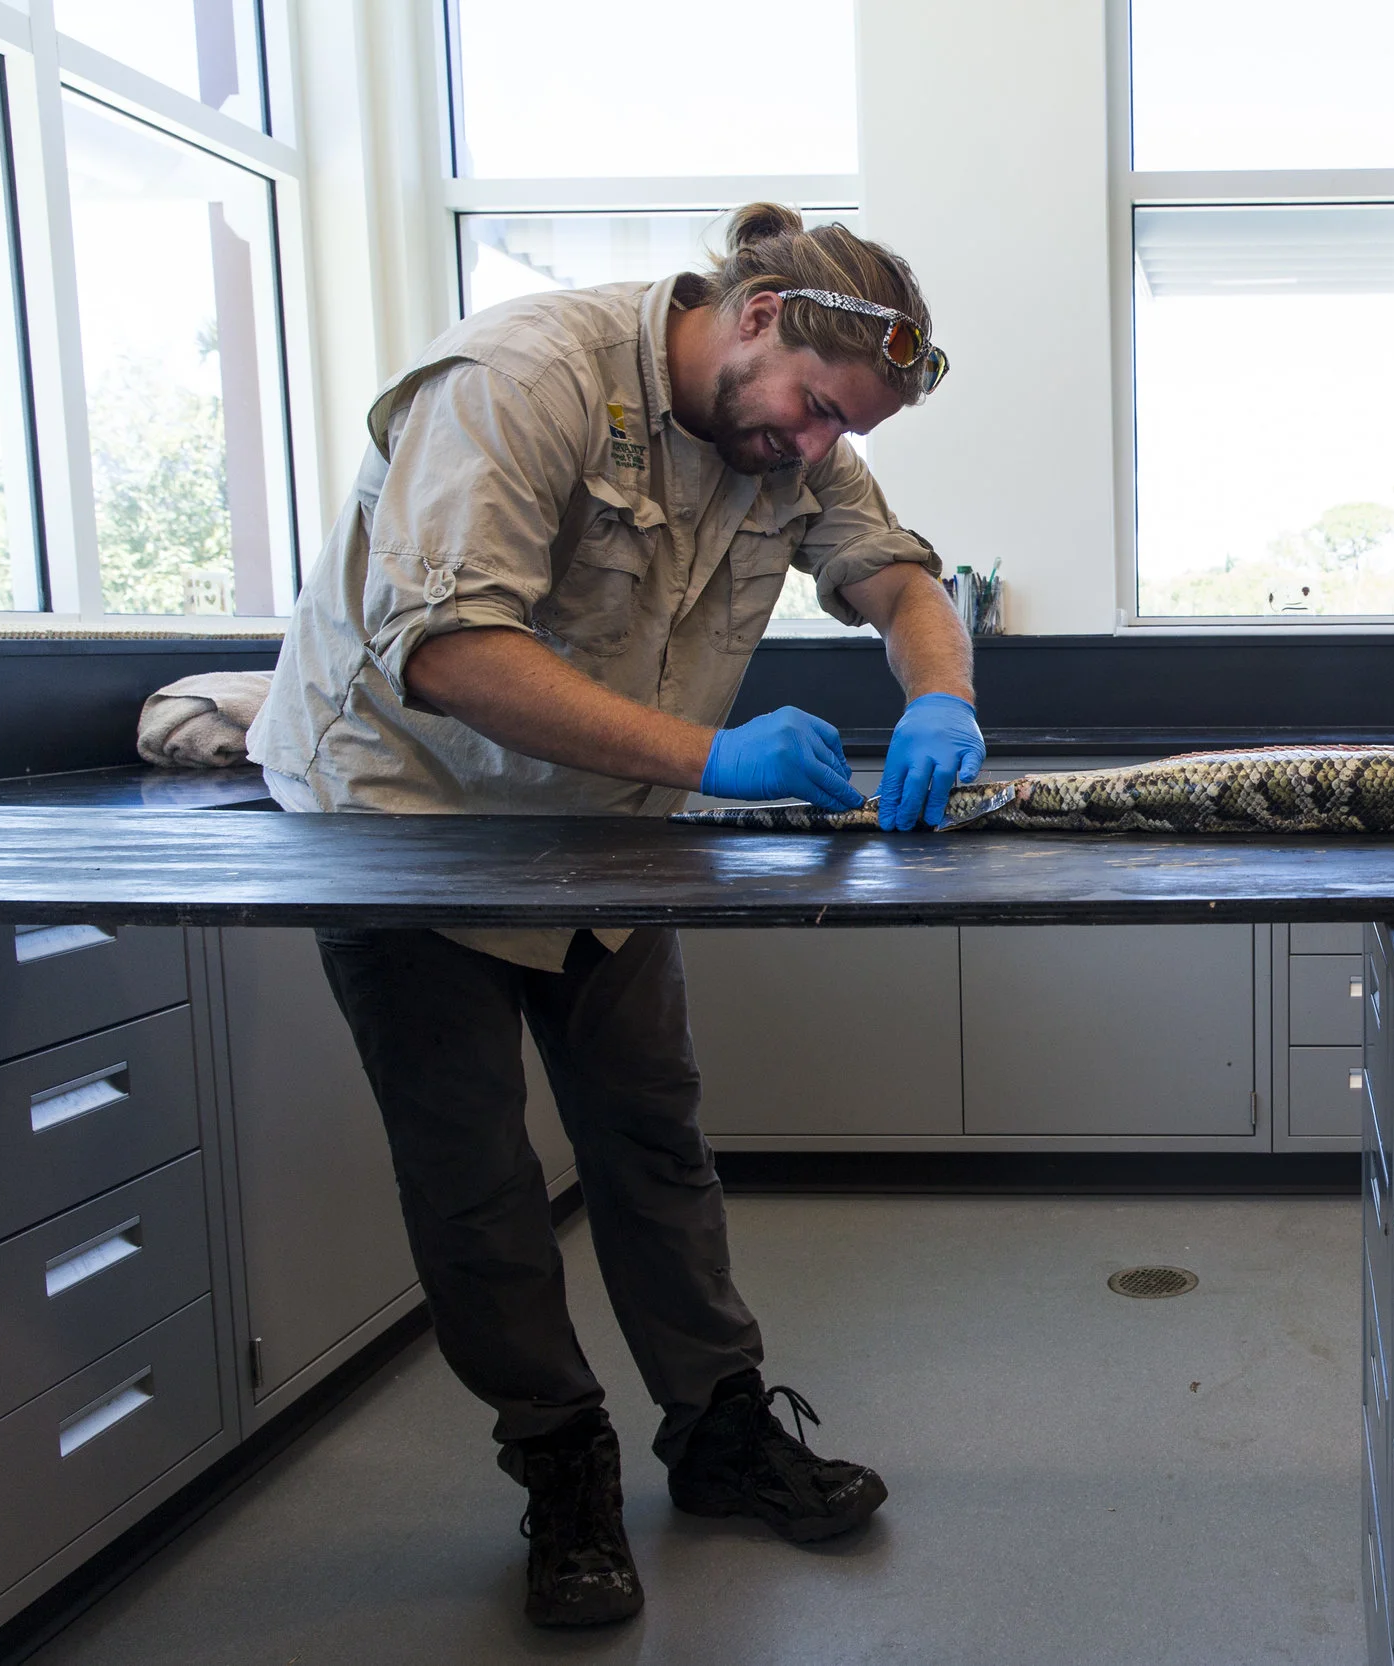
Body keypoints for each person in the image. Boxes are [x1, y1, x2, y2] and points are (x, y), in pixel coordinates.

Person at [248, 203, 983, 1627]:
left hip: (599, 828)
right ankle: (560, 1464)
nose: (818, 447)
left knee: (651, 1129)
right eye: (817, 412)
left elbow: (894, 574)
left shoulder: (795, 427)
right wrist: (713, 760)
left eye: (845, 431)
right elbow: (453, 654)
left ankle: (716, 1428)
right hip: (410, 824)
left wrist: (941, 690)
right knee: (475, 1174)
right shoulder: (522, 381)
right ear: (761, 315)